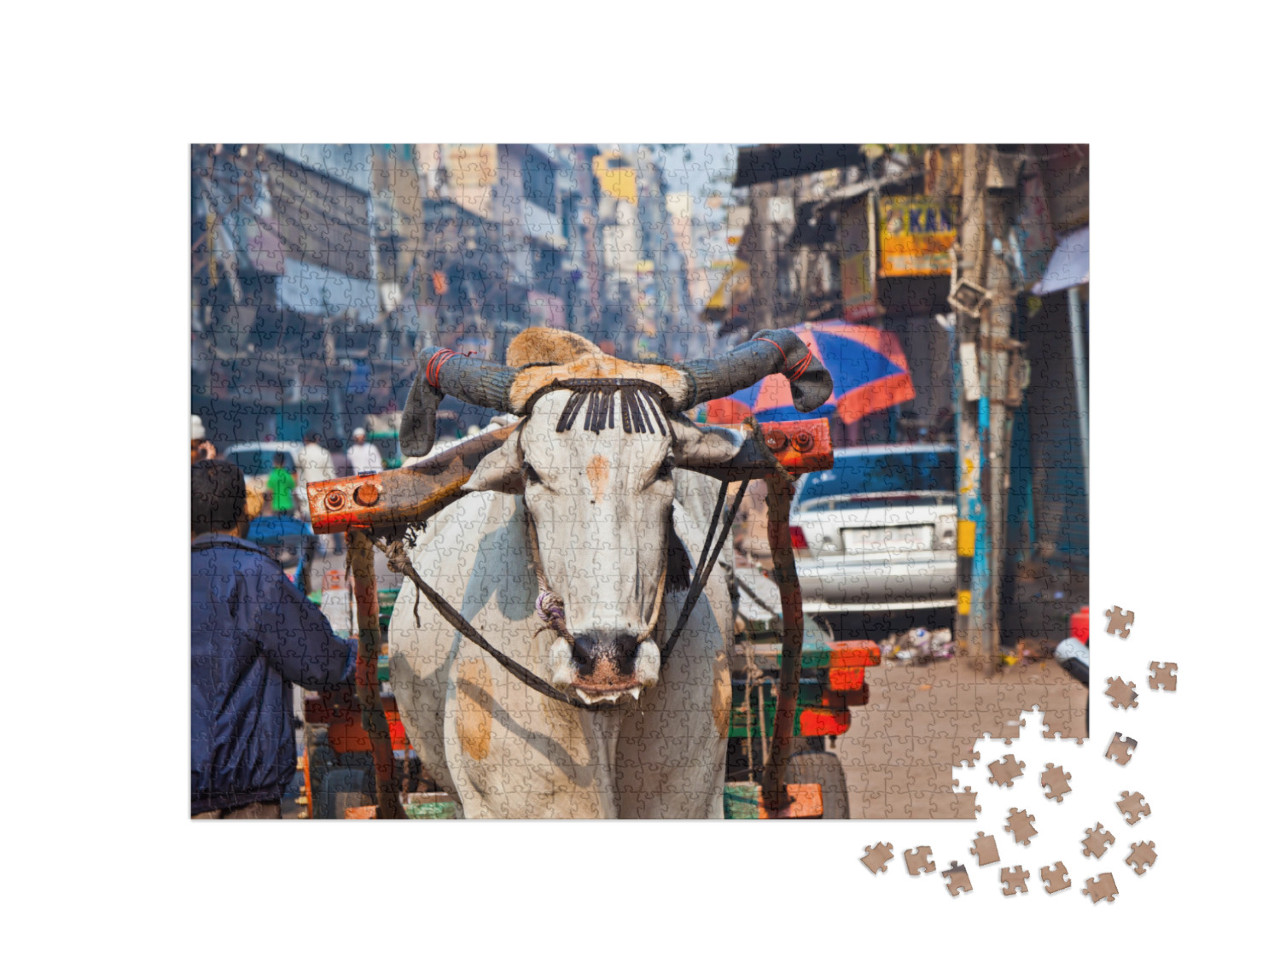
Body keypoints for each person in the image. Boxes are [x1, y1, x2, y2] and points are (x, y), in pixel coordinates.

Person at [191, 460, 356, 818]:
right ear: (243, 516)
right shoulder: (256, 576)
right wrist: (357, 654)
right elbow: (323, 664)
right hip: (242, 801)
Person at [266, 451, 296, 516]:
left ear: (274, 462)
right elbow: (294, 492)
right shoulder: (288, 475)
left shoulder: (272, 476)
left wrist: (269, 508)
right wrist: (298, 507)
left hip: (276, 508)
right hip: (288, 507)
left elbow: (269, 494)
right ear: (284, 462)